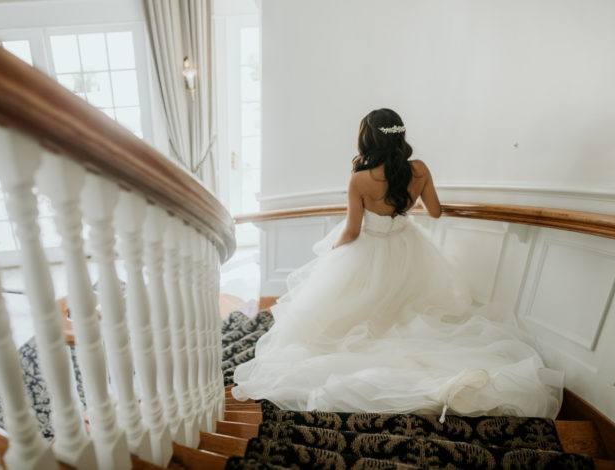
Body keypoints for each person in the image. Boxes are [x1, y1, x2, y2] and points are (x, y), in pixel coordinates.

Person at [231, 108, 563, 421]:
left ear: (369, 140)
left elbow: (352, 230)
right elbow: (434, 212)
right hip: (408, 248)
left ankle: (405, 376)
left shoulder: (359, 179)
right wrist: (401, 208)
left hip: (369, 252)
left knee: (362, 319)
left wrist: (332, 253)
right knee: (410, 315)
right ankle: (429, 374)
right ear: (399, 136)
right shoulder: (419, 170)